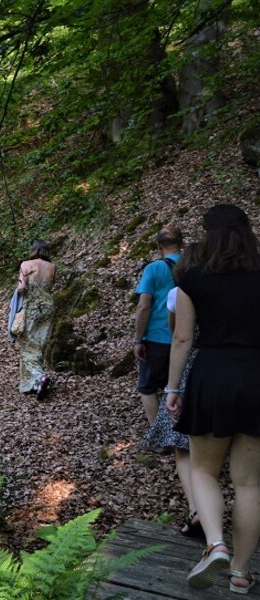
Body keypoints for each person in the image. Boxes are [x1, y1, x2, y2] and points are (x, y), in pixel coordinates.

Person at [165, 204, 260, 592]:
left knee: (203, 470)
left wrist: (172, 388)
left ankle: (214, 544)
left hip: (211, 376)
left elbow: (183, 337)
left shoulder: (192, 276)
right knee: (250, 484)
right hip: (256, 376)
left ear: (207, 233)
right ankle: (240, 572)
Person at [144, 242, 201, 539]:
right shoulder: (223, 291)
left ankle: (196, 508)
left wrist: (172, 388)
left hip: (187, 369)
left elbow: (176, 331)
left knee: (183, 445)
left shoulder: (177, 294)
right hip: (218, 367)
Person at [134, 226, 183, 426]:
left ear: (158, 246)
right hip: (187, 338)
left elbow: (144, 306)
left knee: (147, 387)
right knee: (179, 385)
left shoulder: (154, 269)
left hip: (157, 337)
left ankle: (160, 436)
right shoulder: (195, 266)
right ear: (182, 243)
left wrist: (138, 339)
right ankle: (185, 432)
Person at [16, 240, 56, 398]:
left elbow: (21, 288)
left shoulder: (26, 264)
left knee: (27, 344)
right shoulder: (52, 267)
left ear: (33, 250)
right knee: (39, 344)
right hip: (48, 307)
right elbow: (51, 285)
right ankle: (32, 385)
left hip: (32, 306)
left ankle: (40, 377)